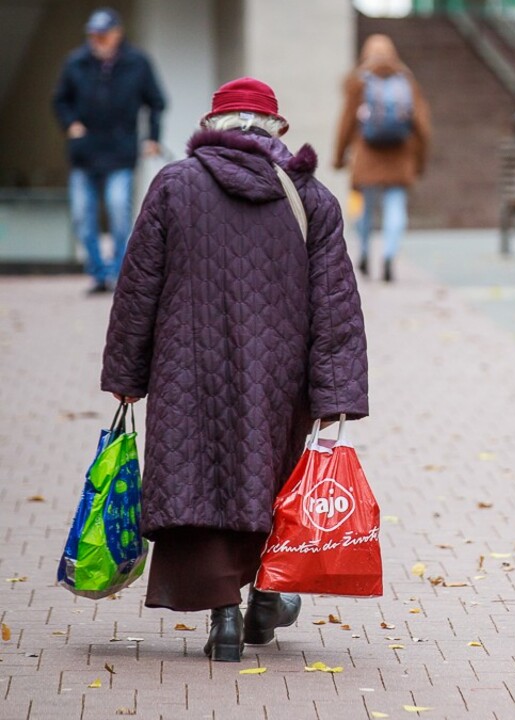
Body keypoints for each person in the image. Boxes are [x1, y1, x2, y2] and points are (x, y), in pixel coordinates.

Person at [100, 78, 369, 662]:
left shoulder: (174, 186)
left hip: (185, 372)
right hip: (280, 376)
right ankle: (268, 595)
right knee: (269, 482)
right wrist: (337, 393)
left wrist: (127, 375)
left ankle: (225, 618)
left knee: (199, 478)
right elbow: (335, 302)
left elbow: (138, 286)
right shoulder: (311, 199)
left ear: (210, 125)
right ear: (278, 131)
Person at [52, 7, 166, 294]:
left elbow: (156, 102)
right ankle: (98, 274)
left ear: (117, 34)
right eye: (93, 35)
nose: (97, 40)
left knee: (118, 209)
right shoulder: (76, 63)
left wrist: (152, 137)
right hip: (84, 153)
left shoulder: (138, 63)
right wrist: (71, 124)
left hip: (120, 153)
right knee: (82, 215)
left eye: (103, 35)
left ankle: (118, 273)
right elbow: (60, 100)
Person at [334, 34, 431, 283]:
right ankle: (389, 255)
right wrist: (420, 160)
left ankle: (365, 252)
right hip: (399, 157)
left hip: (367, 157)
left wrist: (338, 156)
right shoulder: (406, 81)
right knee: (395, 209)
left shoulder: (359, 82)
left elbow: (346, 122)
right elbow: (422, 126)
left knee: (365, 208)